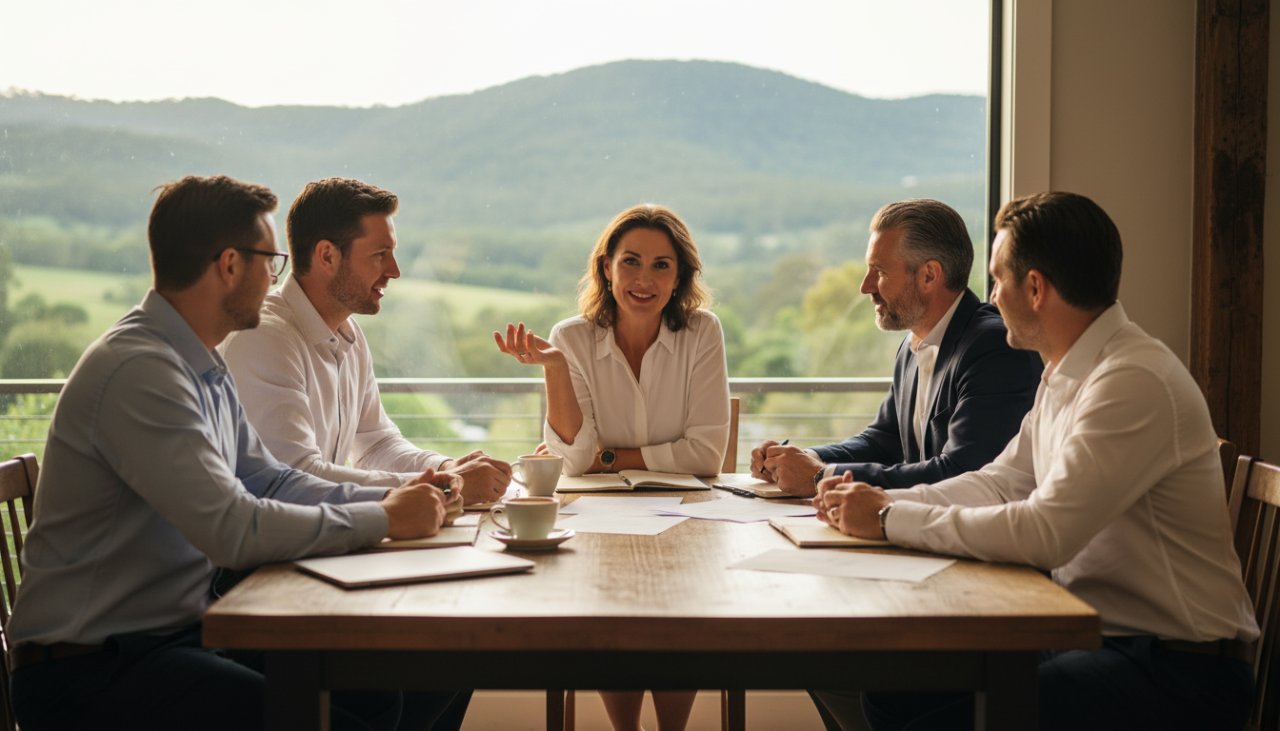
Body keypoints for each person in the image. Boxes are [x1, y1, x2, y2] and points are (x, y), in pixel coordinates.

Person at [7, 175, 469, 730]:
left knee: (392, 688)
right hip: (94, 670)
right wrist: (382, 517)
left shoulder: (201, 363)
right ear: (230, 264)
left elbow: (270, 480)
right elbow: (231, 528)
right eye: (270, 262)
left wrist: (398, 494)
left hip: (178, 637)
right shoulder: (141, 371)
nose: (276, 279)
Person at [814, 191, 1258, 730]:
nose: (991, 296)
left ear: (1035, 288)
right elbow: (1001, 481)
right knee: (893, 694)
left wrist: (887, 520)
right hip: (1095, 640)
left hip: (1174, 668)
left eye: (998, 279)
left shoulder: (1130, 380)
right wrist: (883, 502)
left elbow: (1046, 531)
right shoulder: (1065, 371)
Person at [494, 203, 730, 731]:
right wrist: (554, 368)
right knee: (609, 618)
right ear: (606, 267)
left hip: (689, 515)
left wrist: (610, 456)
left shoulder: (702, 332)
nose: (644, 279)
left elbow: (707, 453)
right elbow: (574, 459)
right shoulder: (571, 338)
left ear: (680, 276)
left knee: (680, 618)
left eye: (661, 265)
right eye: (631, 262)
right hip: (598, 517)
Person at [222, 177, 511, 505]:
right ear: (327, 256)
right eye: (380, 254)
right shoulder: (265, 338)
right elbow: (296, 478)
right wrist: (445, 486)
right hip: (271, 553)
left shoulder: (350, 334)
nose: (394, 270)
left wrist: (444, 467)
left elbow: (377, 445)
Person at [749, 199, 1043, 496]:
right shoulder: (912, 345)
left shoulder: (995, 346)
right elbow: (883, 442)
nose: (866, 286)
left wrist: (822, 476)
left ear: (929, 275)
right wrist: (804, 458)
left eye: (879, 272)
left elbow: (961, 473)